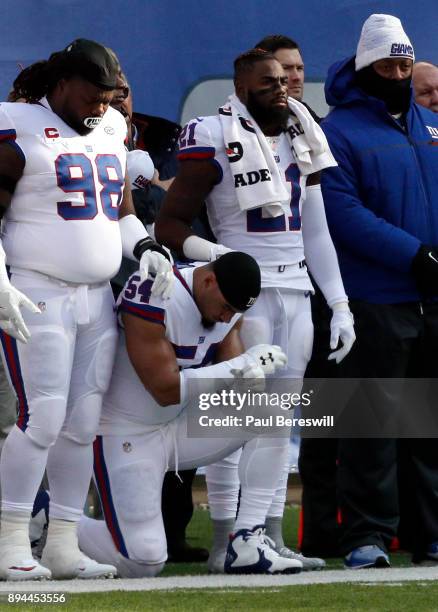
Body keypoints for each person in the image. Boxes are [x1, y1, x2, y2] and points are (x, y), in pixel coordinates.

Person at [155, 49, 355, 572]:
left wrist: (338, 302)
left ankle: (259, 535)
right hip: (246, 293)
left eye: (285, 78)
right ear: (240, 85)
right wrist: (220, 257)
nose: (281, 87)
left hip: (296, 291)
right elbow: (171, 225)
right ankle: (231, 537)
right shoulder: (213, 133)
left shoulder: (302, 130)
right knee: (240, 418)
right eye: (267, 80)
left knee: (276, 422)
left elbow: (316, 229)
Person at [0, 39, 173, 581]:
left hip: (96, 295)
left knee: (80, 424)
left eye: (109, 97)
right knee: (42, 417)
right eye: (93, 94)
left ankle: (63, 543)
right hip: (37, 289)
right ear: (61, 84)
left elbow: (116, 210)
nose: (102, 106)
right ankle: (9, 543)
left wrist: (144, 247)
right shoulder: (16, 125)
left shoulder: (113, 129)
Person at [77, 252, 303, 577]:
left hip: (178, 428)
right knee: (143, 561)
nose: (227, 318)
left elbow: (233, 390)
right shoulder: (156, 291)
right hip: (126, 432)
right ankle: (51, 520)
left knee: (270, 413)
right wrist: (241, 366)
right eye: (226, 308)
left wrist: (247, 375)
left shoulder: (227, 304)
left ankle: (246, 542)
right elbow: (164, 389)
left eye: (236, 312)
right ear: (208, 281)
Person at [321, 13, 438, 568]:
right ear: (366, 67)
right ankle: (366, 536)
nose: (397, 73)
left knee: (427, 422)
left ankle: (430, 532)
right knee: (371, 424)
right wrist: (414, 255)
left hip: (431, 299)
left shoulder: (430, 125)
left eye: (404, 63)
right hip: (374, 295)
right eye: (387, 65)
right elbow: (341, 213)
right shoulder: (338, 130)